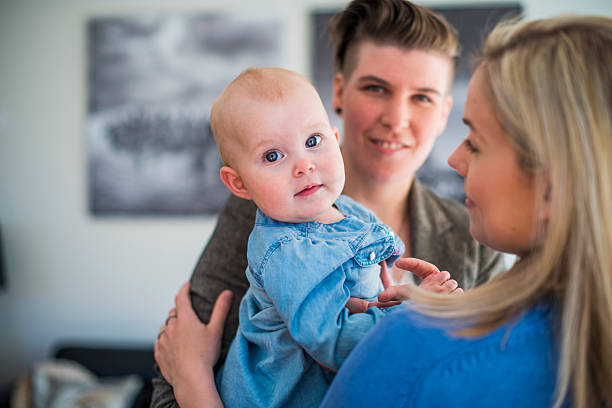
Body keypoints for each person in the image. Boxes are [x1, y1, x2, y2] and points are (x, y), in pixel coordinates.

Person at [155, 13, 612, 408]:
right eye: (376, 88)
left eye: (423, 97)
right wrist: (192, 377)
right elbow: (170, 379)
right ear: (339, 94)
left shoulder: (474, 231)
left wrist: (193, 379)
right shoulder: (269, 217)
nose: (396, 118)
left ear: (444, 111)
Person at [205, 66, 461, 408]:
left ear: (334, 141)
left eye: (312, 142)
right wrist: (414, 312)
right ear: (238, 183)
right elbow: (335, 345)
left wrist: (413, 296)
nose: (304, 165)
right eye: (273, 156)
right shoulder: (288, 250)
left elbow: (383, 283)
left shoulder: (349, 211)